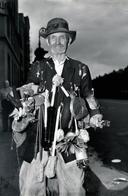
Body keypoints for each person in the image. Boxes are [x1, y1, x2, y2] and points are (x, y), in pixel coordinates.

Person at [16, 18, 104, 196]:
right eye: (53, 38)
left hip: (71, 137)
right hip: (38, 137)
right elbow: (30, 90)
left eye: (62, 38)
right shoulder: (38, 67)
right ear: (48, 41)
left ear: (69, 40)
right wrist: (31, 97)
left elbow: (88, 96)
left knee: (74, 186)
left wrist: (95, 114)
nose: (57, 42)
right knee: (30, 187)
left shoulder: (81, 68)